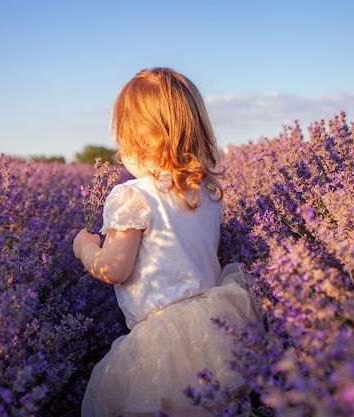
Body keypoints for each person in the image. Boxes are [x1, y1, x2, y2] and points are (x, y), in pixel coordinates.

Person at [73, 67, 261, 417]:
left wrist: (85, 249)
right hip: (215, 326)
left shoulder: (131, 196)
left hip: (164, 343)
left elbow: (113, 269)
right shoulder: (205, 192)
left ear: (138, 139)